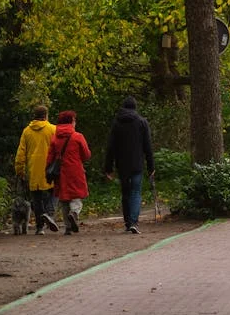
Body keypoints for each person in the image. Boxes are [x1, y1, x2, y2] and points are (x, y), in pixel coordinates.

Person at [104, 96, 155, 234]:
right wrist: (151, 167)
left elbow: (111, 147)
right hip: (137, 163)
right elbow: (148, 146)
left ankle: (128, 223)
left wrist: (108, 168)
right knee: (136, 192)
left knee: (125, 192)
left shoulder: (117, 123)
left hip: (122, 165)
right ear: (135, 107)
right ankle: (133, 222)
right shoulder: (142, 122)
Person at [14, 105, 59, 235]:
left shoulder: (27, 131)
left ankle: (40, 227)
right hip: (50, 168)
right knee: (55, 191)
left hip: (33, 169)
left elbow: (21, 153)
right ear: (46, 115)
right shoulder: (53, 129)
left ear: (34, 116)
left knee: (37, 198)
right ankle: (49, 213)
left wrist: (20, 170)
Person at [47, 110, 92, 236]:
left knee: (64, 199)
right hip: (75, 170)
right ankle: (74, 213)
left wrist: (48, 170)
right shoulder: (78, 136)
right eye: (74, 120)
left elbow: (50, 157)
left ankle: (68, 228)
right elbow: (86, 155)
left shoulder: (55, 138)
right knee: (76, 196)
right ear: (71, 121)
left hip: (60, 172)